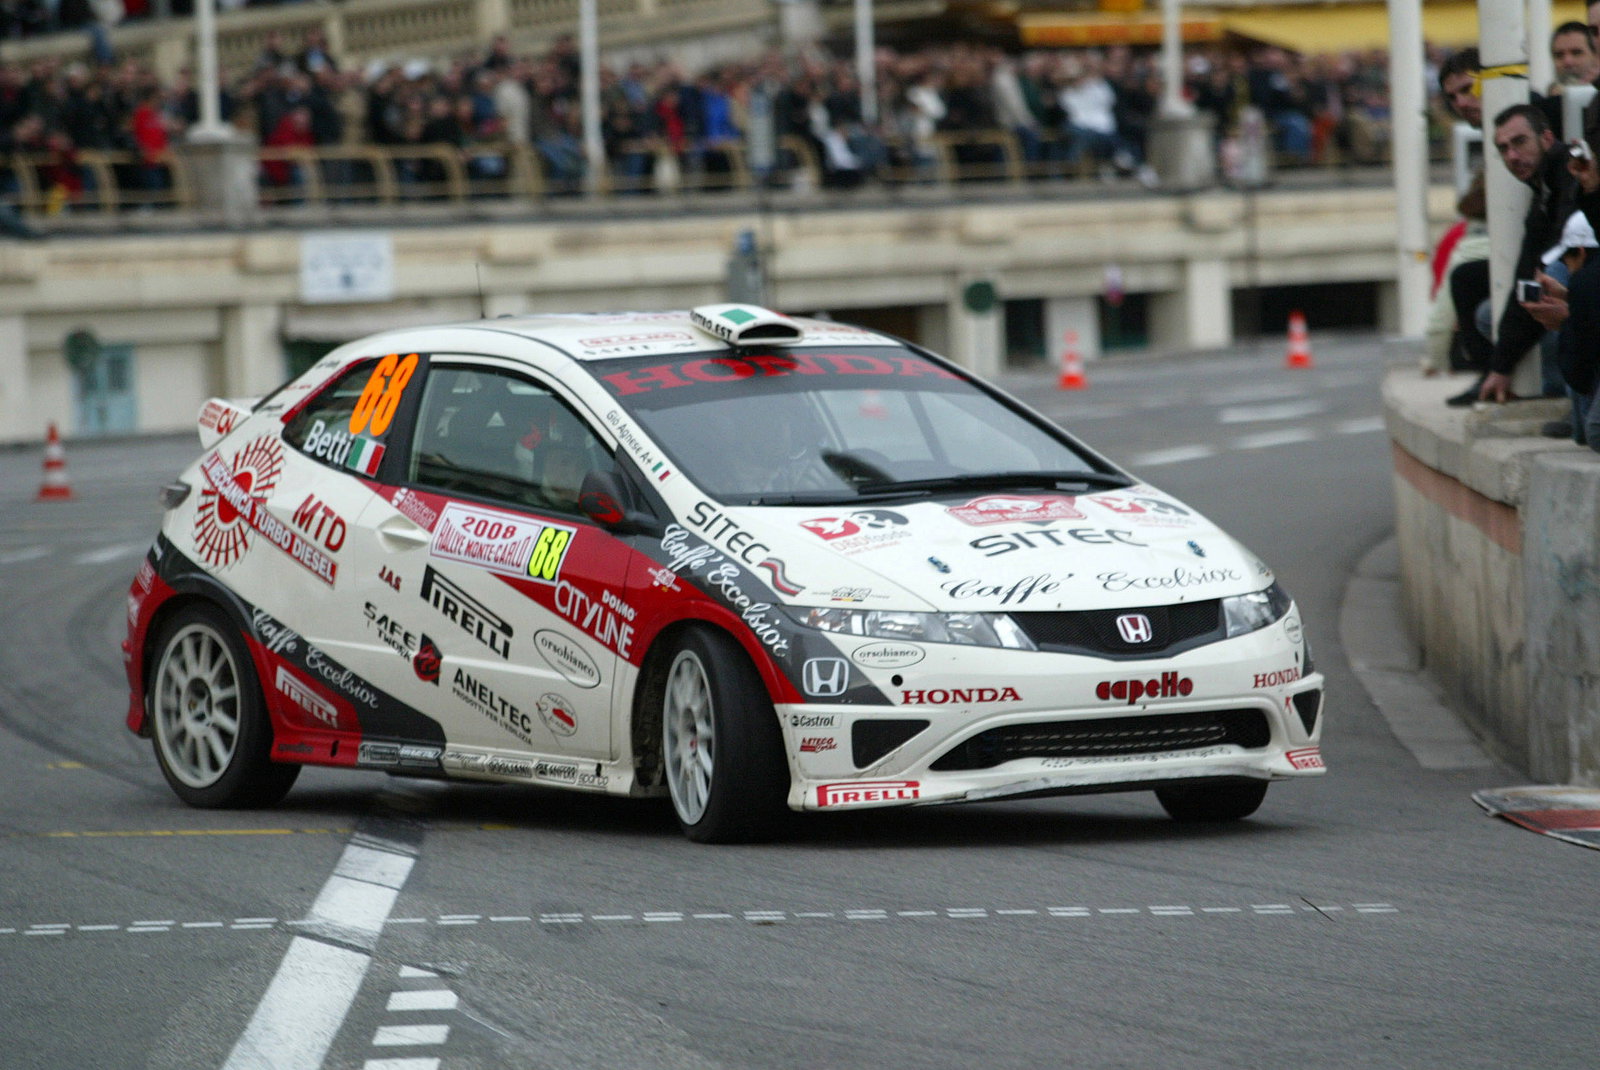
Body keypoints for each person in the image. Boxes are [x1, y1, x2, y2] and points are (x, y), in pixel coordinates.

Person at [1474, 105, 1576, 405]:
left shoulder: (1571, 174)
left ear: (1546, 138)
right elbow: (1526, 267)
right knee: (1490, 312)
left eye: (1519, 142)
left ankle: (1563, 395)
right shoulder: (1543, 188)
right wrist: (1500, 366)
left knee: (1549, 284)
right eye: (1503, 149)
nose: (1512, 157)